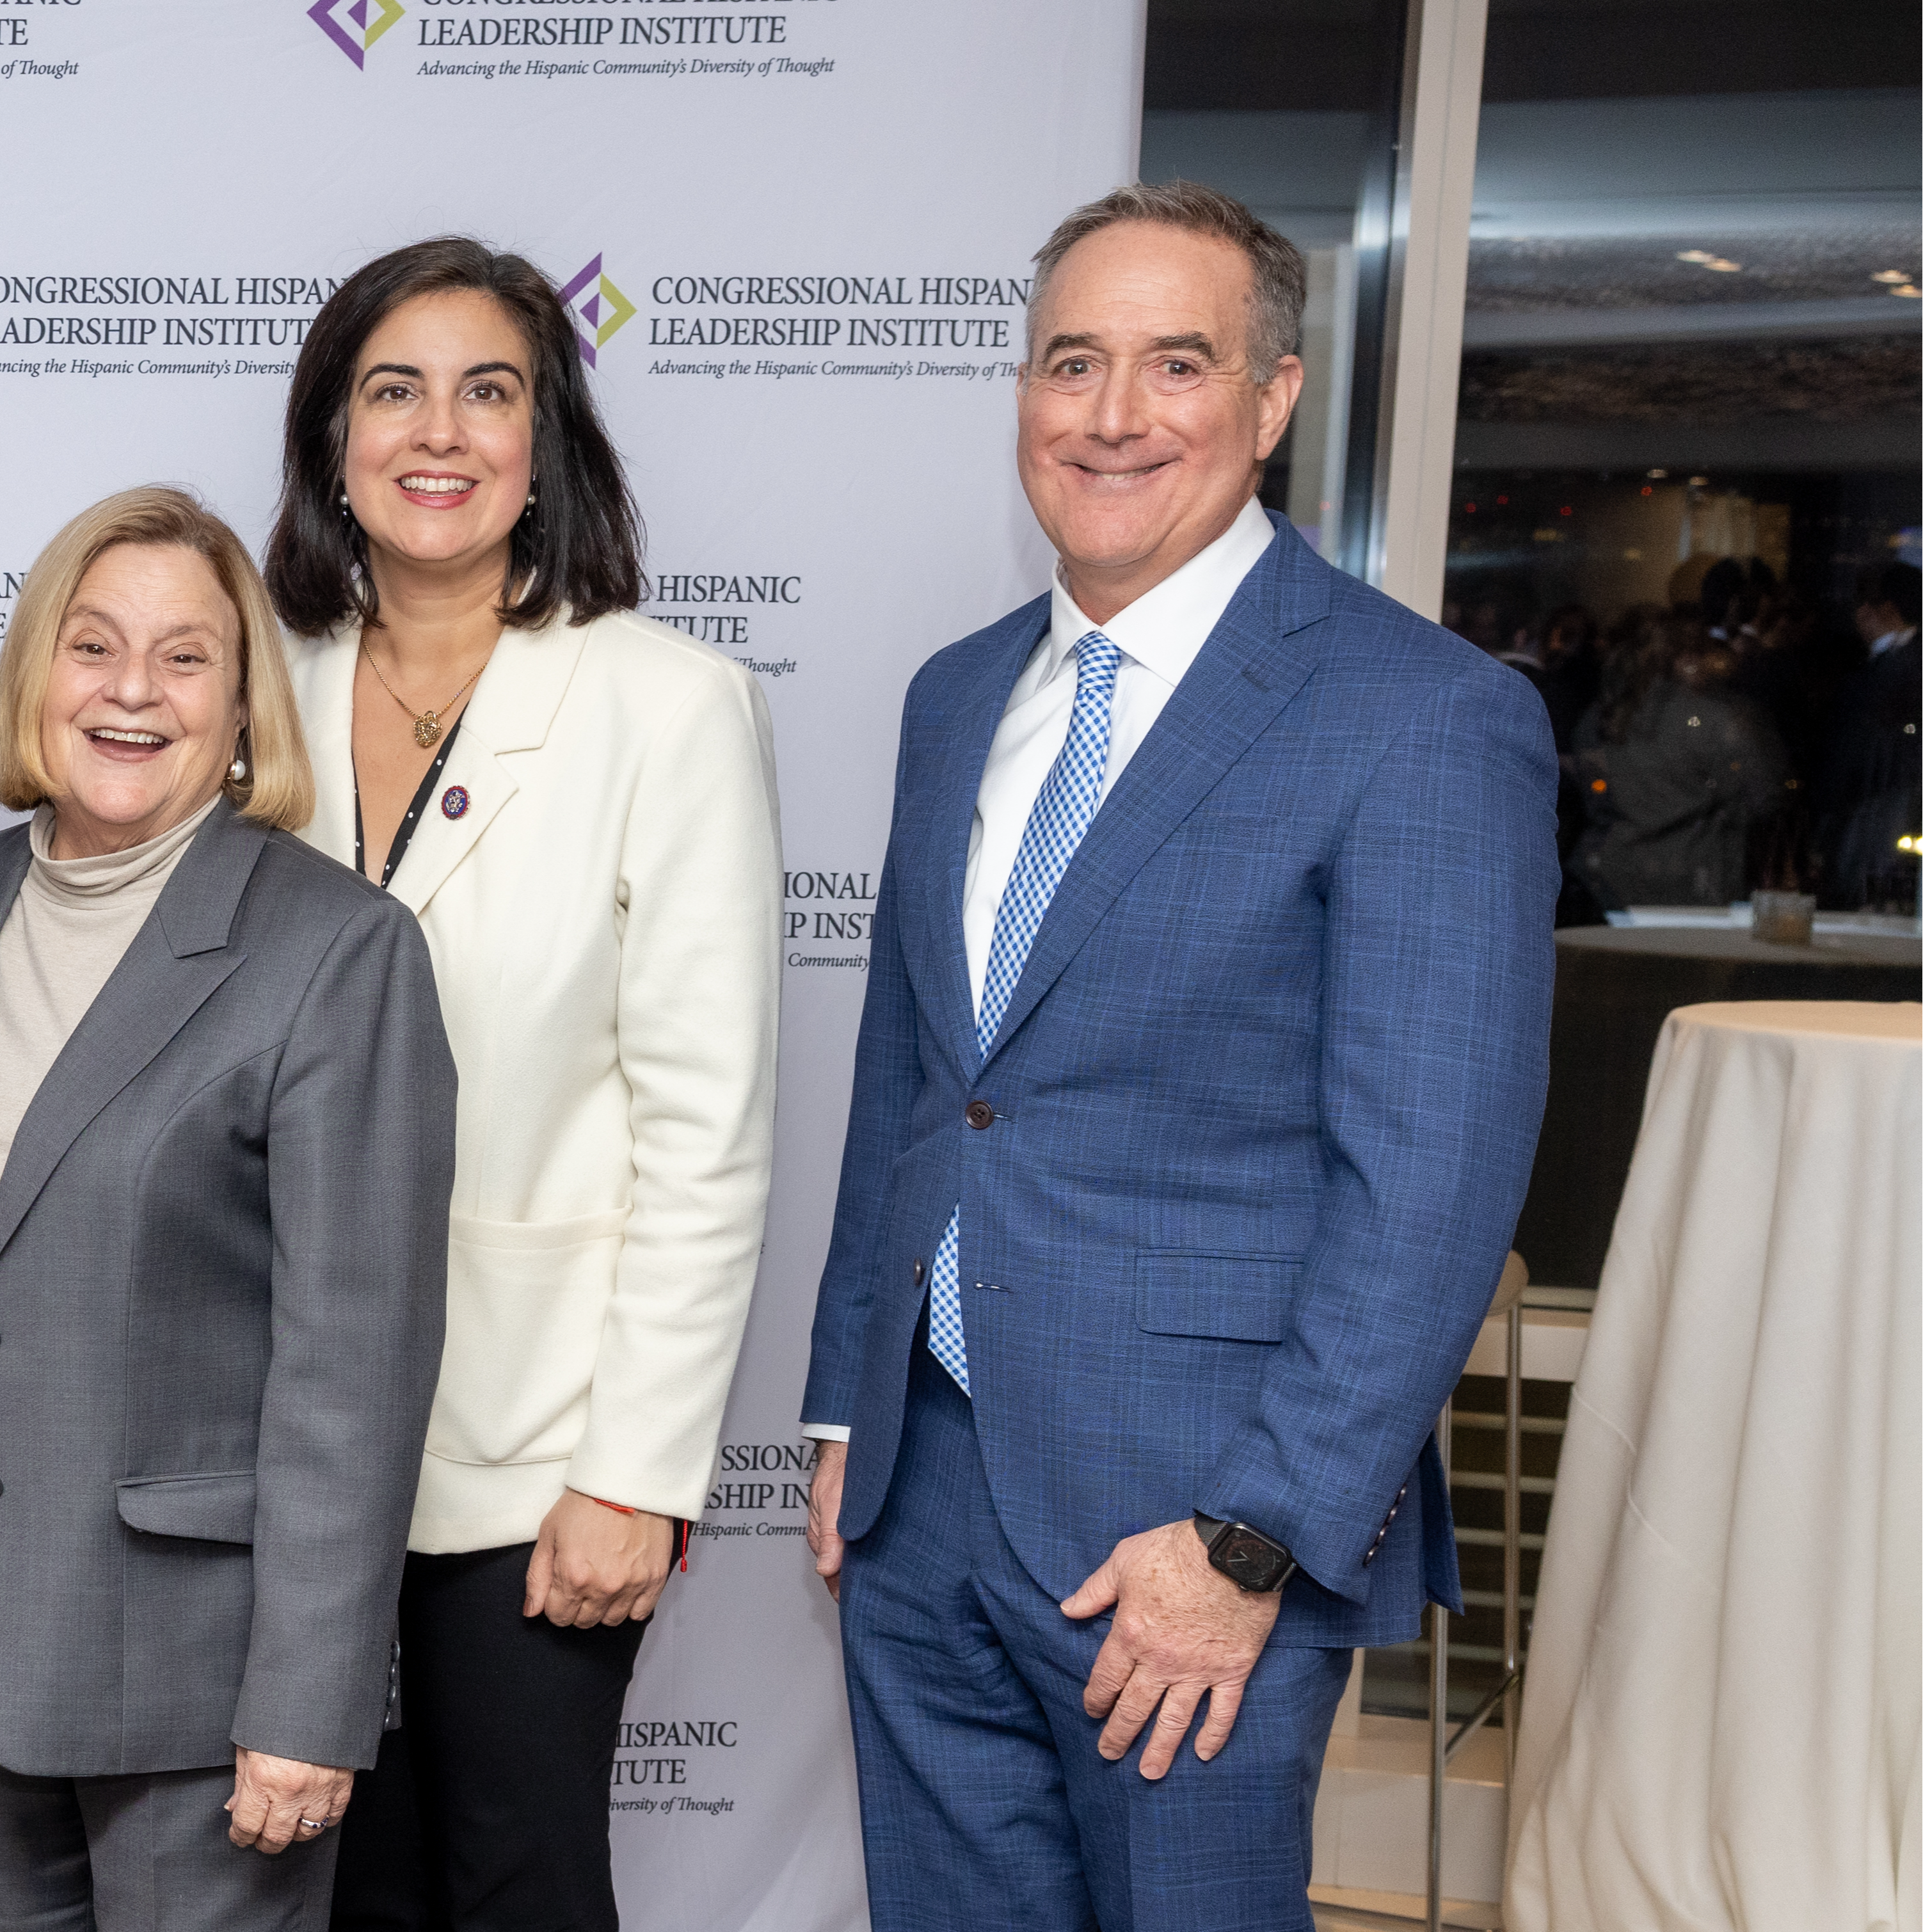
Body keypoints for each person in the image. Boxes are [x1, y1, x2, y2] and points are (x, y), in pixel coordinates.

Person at [799, 182, 1554, 1932]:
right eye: (1069, 364)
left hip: (1192, 1532)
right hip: (920, 1506)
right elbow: (914, 1085)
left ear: (1270, 400)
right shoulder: (950, 694)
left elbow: (1425, 1193)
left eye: (1171, 364)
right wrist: (845, 1407)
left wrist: (1246, 1541)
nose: (1109, 415)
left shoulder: (1417, 716)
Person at [259, 241, 783, 1932]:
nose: (438, 431)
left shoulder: (662, 704)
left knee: (516, 1881)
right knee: (328, 1894)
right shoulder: (248, 692)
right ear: (329, 440)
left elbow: (703, 1133)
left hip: (536, 1449)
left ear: (542, 441)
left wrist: (633, 1470)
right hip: (276, 1434)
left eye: (487, 391)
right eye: (389, 389)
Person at [0, 486, 457, 1932]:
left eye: (185, 656)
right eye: (94, 643)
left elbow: (353, 1366)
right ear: (34, 675)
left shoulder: (334, 949)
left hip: (200, 1669)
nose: (132, 689)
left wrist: (310, 1701)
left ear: (244, 701)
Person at [1568, 609, 1791, 907]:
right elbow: (1768, 796)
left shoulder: (1598, 718)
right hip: (1698, 882)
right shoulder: (1719, 720)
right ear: (1686, 658)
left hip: (1610, 880)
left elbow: (1591, 794)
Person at [1816, 561, 1920, 910]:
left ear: (1884, 610)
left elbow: (1855, 753)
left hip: (1878, 813)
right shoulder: (1900, 664)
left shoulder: (1891, 671)